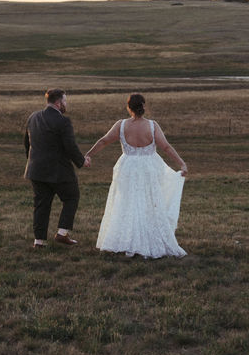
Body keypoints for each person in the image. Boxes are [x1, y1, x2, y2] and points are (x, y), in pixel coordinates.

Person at [85, 93, 188, 258]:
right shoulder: (152, 126)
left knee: (126, 202)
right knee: (149, 201)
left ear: (129, 108)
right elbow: (166, 147)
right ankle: (147, 237)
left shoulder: (121, 125)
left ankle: (126, 239)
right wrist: (181, 163)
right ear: (144, 107)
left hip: (128, 167)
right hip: (148, 167)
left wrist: (88, 154)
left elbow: (104, 141)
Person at [24, 88, 91, 248]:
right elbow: (70, 146)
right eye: (65, 101)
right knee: (71, 197)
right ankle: (62, 233)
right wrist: (82, 161)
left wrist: (32, 162)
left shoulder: (33, 117)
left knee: (41, 205)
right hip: (59, 171)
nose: (66, 104)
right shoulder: (63, 121)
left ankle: (39, 242)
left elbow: (27, 144)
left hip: (36, 170)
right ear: (58, 102)